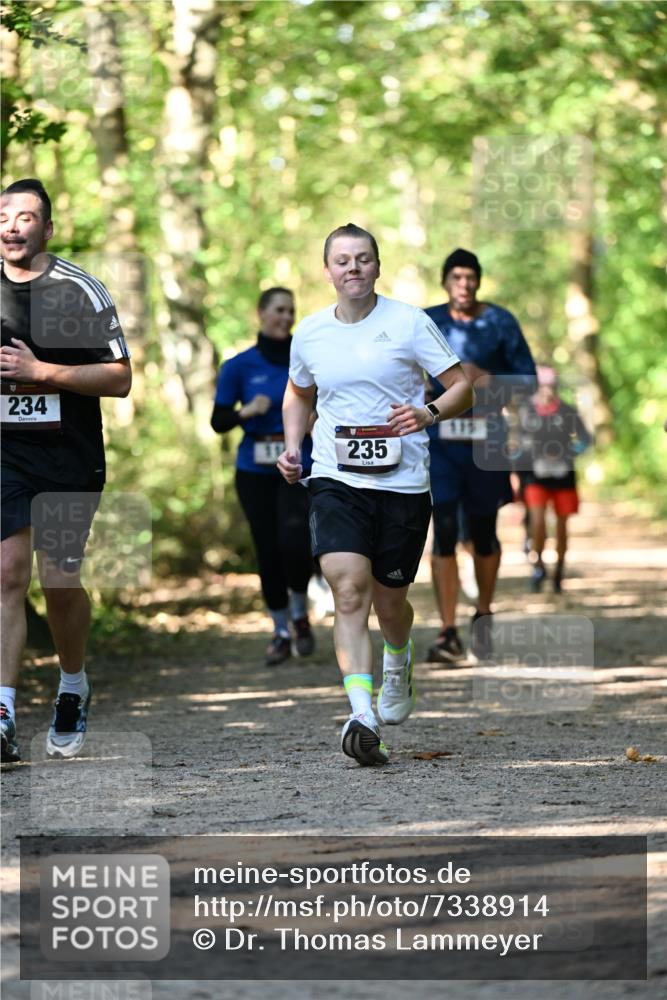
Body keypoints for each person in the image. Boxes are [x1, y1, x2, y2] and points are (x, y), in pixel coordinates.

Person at [277, 223, 473, 766]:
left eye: (363, 258)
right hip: (335, 478)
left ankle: (398, 656)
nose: (353, 268)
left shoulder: (409, 322)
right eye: (342, 260)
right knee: (347, 590)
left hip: (403, 483)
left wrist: (428, 413)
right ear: (327, 271)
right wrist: (293, 447)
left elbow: (462, 387)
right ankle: (361, 714)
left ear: (377, 266)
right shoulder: (311, 333)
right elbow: (298, 393)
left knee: (390, 602)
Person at [1, 178, 131, 762]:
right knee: (6, 573)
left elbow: (120, 378)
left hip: (67, 455)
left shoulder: (78, 290)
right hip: (5, 454)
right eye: (4, 218)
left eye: (26, 218)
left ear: (47, 229)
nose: (12, 227)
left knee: (57, 580)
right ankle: (3, 711)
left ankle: (73, 684)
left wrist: (42, 372)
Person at [425, 248, 536, 664]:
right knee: (443, 532)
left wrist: (488, 379)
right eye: (456, 277)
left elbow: (528, 382)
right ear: (445, 281)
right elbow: (398, 370)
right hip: (439, 442)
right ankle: (447, 631)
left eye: (470, 277)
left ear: (479, 281)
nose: (464, 285)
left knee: (484, 533)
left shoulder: (501, 322)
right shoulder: (427, 321)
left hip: (486, 441)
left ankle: (483, 614)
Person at [211, 287, 316, 665]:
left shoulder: (307, 360)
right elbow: (219, 421)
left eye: (291, 311)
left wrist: (315, 419)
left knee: (295, 541)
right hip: (254, 469)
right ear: (261, 313)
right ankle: (280, 630)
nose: (286, 317)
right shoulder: (238, 366)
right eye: (279, 310)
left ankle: (300, 612)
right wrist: (246, 411)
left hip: (298, 464)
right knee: (267, 547)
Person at [516, 365, 592, 593]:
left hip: (563, 476)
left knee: (561, 525)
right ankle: (538, 565)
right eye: (543, 386)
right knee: (537, 521)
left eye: (551, 386)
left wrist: (568, 453)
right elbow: (515, 442)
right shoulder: (526, 411)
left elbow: (585, 439)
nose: (547, 390)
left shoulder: (567, 411)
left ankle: (559, 569)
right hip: (535, 476)